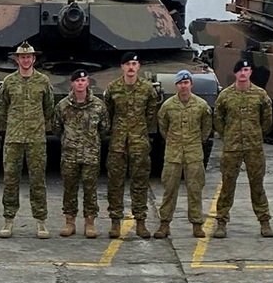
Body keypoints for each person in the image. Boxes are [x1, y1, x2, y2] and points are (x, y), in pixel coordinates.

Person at [0, 41, 56, 239]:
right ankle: (8, 220)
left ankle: (41, 221)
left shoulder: (43, 81)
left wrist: (37, 124)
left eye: (28, 57)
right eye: (22, 57)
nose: (25, 60)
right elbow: (1, 107)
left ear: (34, 59)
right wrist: (11, 125)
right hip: (13, 138)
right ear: (17, 59)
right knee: (10, 179)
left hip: (36, 138)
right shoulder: (9, 82)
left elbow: (49, 107)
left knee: (37, 180)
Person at [212, 59, 273, 239]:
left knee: (257, 185)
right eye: (239, 70)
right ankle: (221, 221)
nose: (242, 73)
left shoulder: (260, 95)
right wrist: (227, 135)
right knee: (227, 185)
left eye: (246, 70)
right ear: (235, 73)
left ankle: (264, 221)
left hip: (254, 147)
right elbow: (218, 118)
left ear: (251, 72)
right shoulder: (225, 95)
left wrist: (256, 134)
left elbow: (267, 120)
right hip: (232, 147)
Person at [104, 51, 161, 239]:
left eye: (134, 64)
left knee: (140, 183)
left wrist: (140, 132)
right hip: (118, 144)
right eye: (127, 64)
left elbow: (151, 114)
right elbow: (108, 113)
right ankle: (115, 221)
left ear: (139, 67)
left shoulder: (147, 89)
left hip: (139, 143)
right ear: (122, 67)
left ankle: (141, 221)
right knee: (115, 183)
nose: (131, 67)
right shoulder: (113, 88)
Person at [155, 69, 212, 239]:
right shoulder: (168, 106)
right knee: (169, 190)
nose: (183, 86)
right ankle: (164, 224)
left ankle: (197, 225)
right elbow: (163, 127)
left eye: (186, 82)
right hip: (173, 153)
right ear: (176, 85)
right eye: (180, 83)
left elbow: (206, 128)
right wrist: (174, 141)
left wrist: (195, 141)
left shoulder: (201, 105)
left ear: (191, 84)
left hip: (194, 153)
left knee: (195, 190)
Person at [54, 70, 109, 238]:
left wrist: (91, 142)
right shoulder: (63, 106)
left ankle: (89, 222)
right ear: (72, 83)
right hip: (70, 155)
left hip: (90, 154)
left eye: (83, 80)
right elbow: (57, 128)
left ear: (88, 83)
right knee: (69, 189)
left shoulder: (98, 105)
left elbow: (104, 128)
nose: (80, 83)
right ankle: (69, 222)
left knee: (90, 189)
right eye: (77, 80)